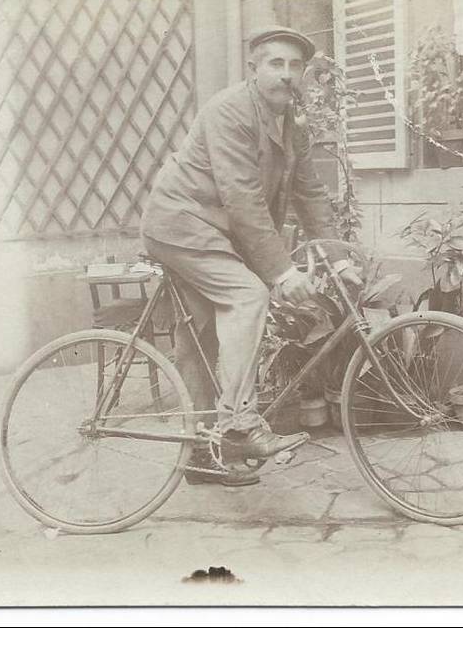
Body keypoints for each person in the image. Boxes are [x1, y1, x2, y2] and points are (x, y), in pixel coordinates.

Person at [140, 25, 354, 486]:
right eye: (276, 64)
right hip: (181, 223)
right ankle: (239, 424)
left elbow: (310, 191)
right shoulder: (229, 111)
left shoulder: (292, 122)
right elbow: (242, 198)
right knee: (248, 297)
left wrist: (338, 258)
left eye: (296, 65)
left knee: (200, 339)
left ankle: (201, 457)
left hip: (215, 232)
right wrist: (280, 272)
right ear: (253, 69)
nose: (287, 74)